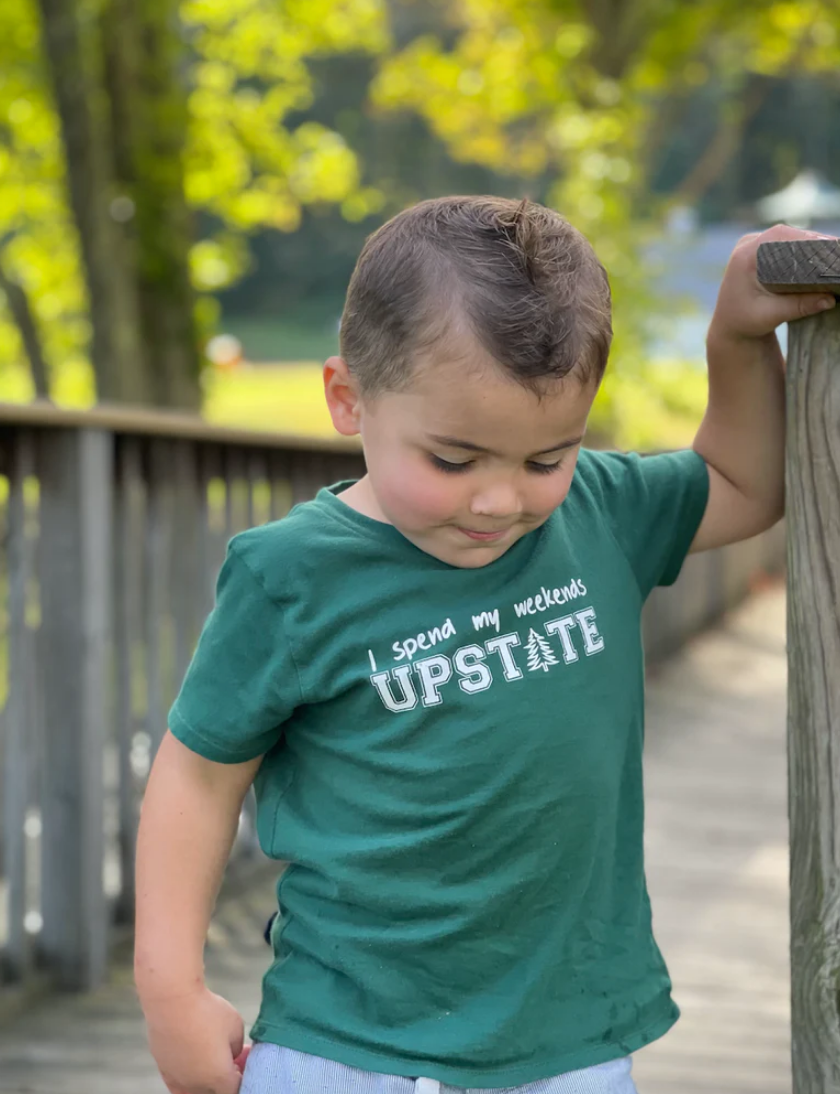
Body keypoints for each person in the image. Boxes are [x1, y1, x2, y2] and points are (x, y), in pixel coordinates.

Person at [134, 197, 835, 1094]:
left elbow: (746, 482)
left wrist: (734, 339)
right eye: (455, 461)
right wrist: (171, 988)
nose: (501, 500)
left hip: (565, 1047)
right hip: (341, 1045)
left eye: (547, 459)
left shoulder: (600, 515)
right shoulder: (288, 576)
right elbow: (199, 774)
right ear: (350, 399)